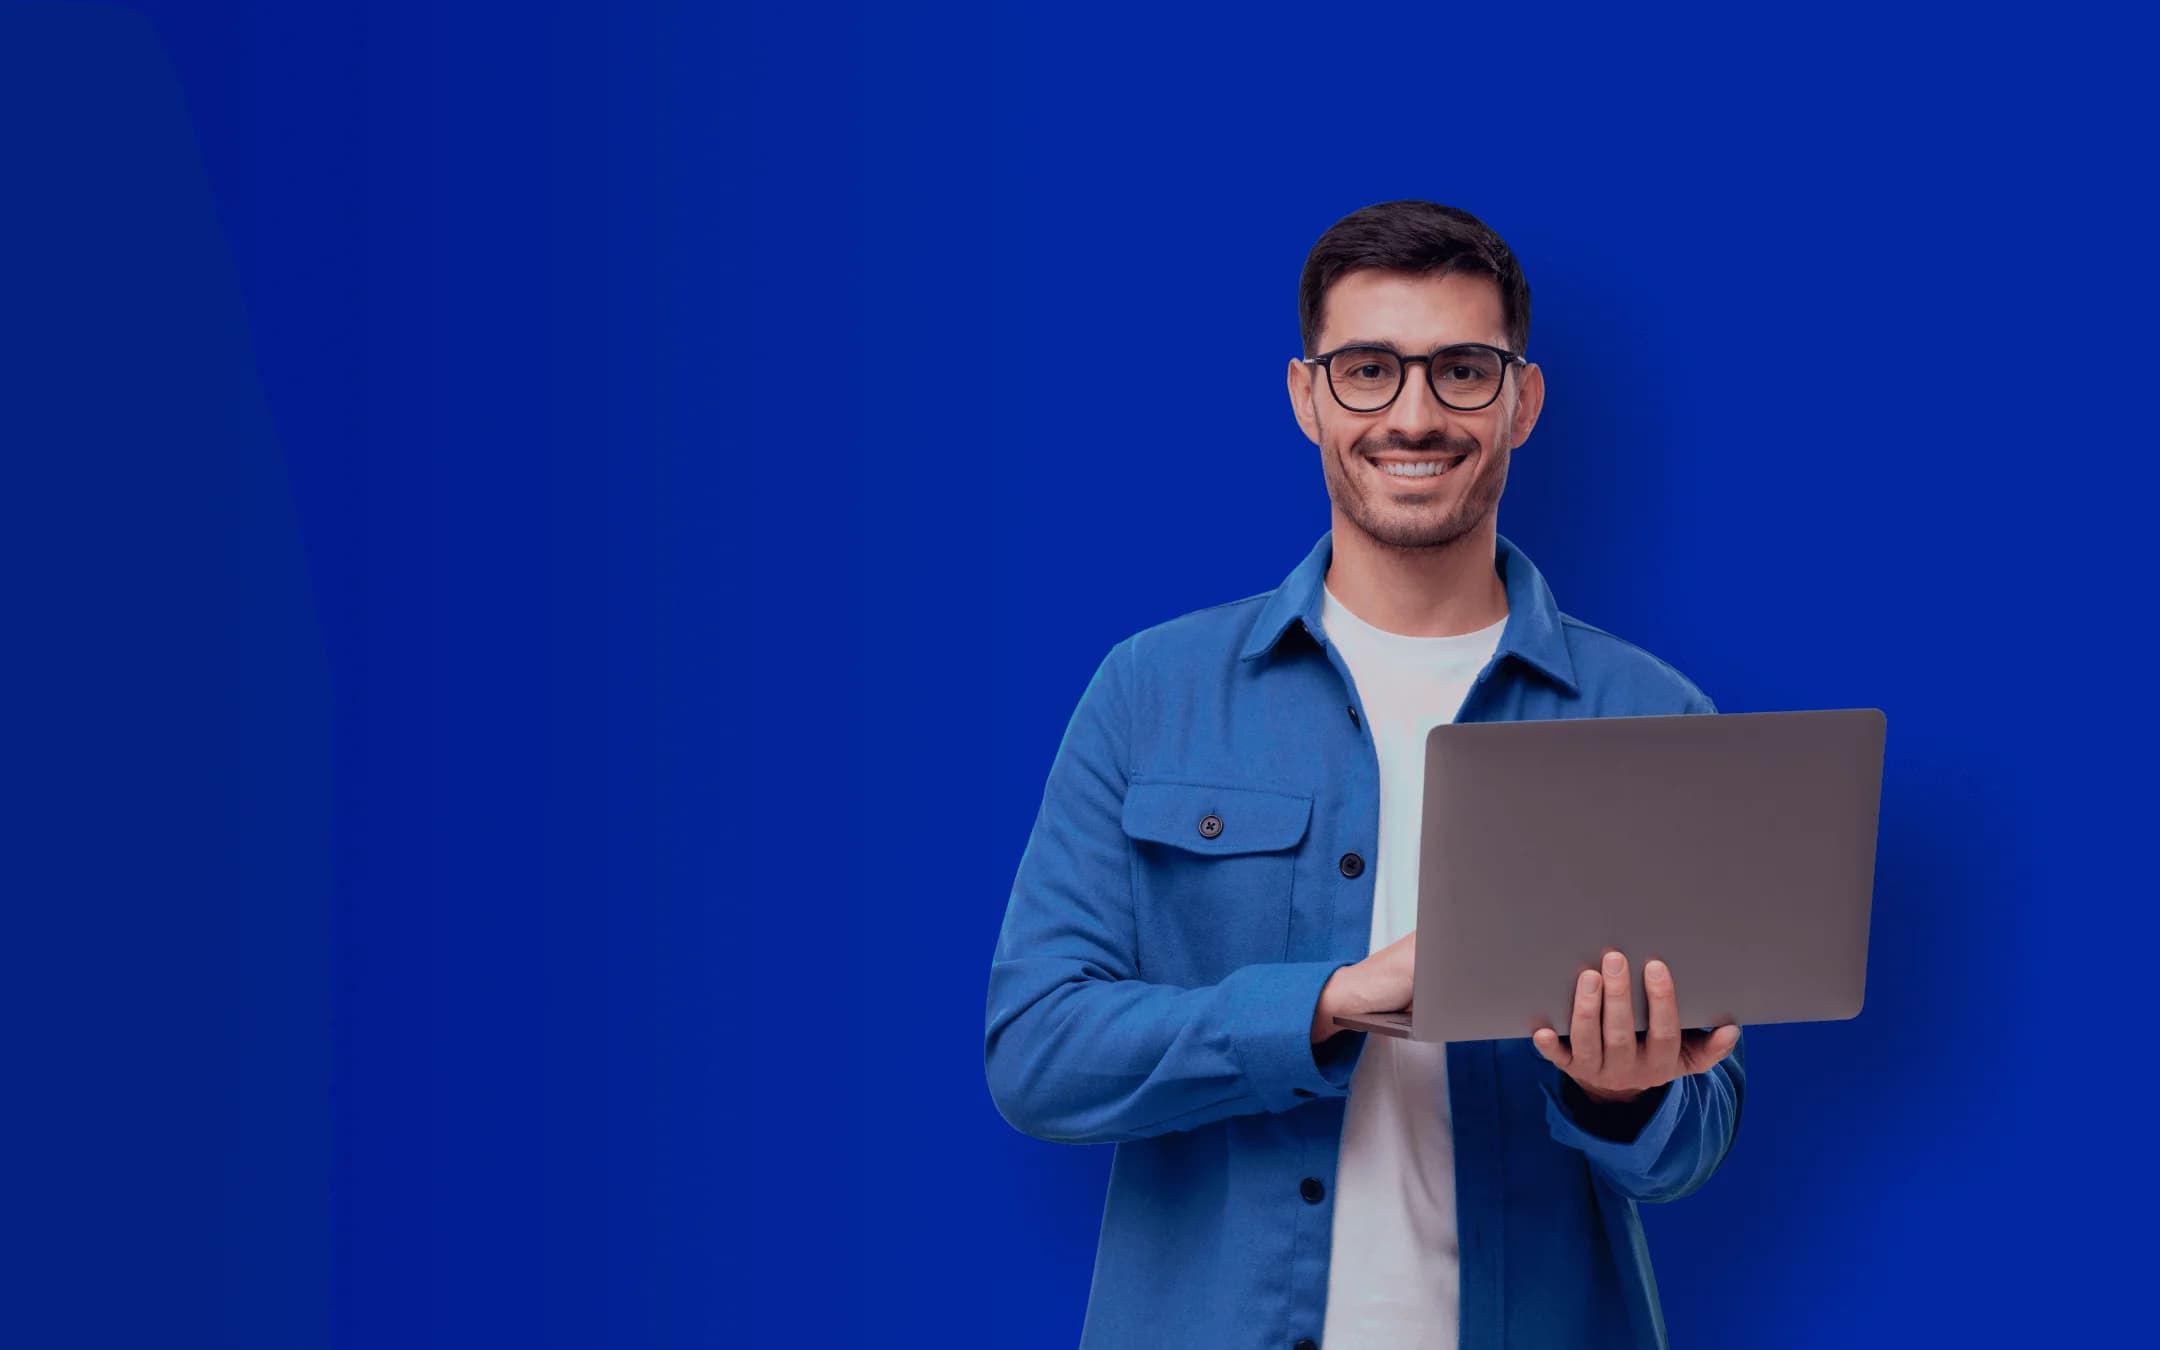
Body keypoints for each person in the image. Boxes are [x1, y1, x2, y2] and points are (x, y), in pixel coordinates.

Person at [983, 200, 1745, 1350]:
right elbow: (1036, 1055)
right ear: (1307, 396)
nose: (1415, 415)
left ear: (1523, 401)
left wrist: (1621, 1093)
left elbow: (1696, 1143)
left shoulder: (1653, 715)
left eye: (1463, 371)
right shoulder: (1151, 692)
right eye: (1369, 370)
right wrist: (1326, 1004)